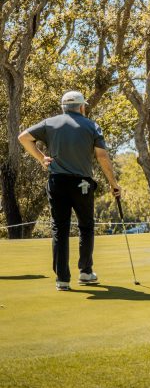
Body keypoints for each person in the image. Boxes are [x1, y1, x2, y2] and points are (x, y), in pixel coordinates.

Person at [17, 91, 121, 291]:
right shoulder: (92, 126)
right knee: (86, 226)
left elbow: (23, 138)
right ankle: (85, 272)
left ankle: (62, 279)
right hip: (82, 184)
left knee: (60, 228)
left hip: (57, 183)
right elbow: (102, 157)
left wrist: (41, 158)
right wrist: (113, 183)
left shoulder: (50, 123)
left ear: (63, 107)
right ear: (82, 107)